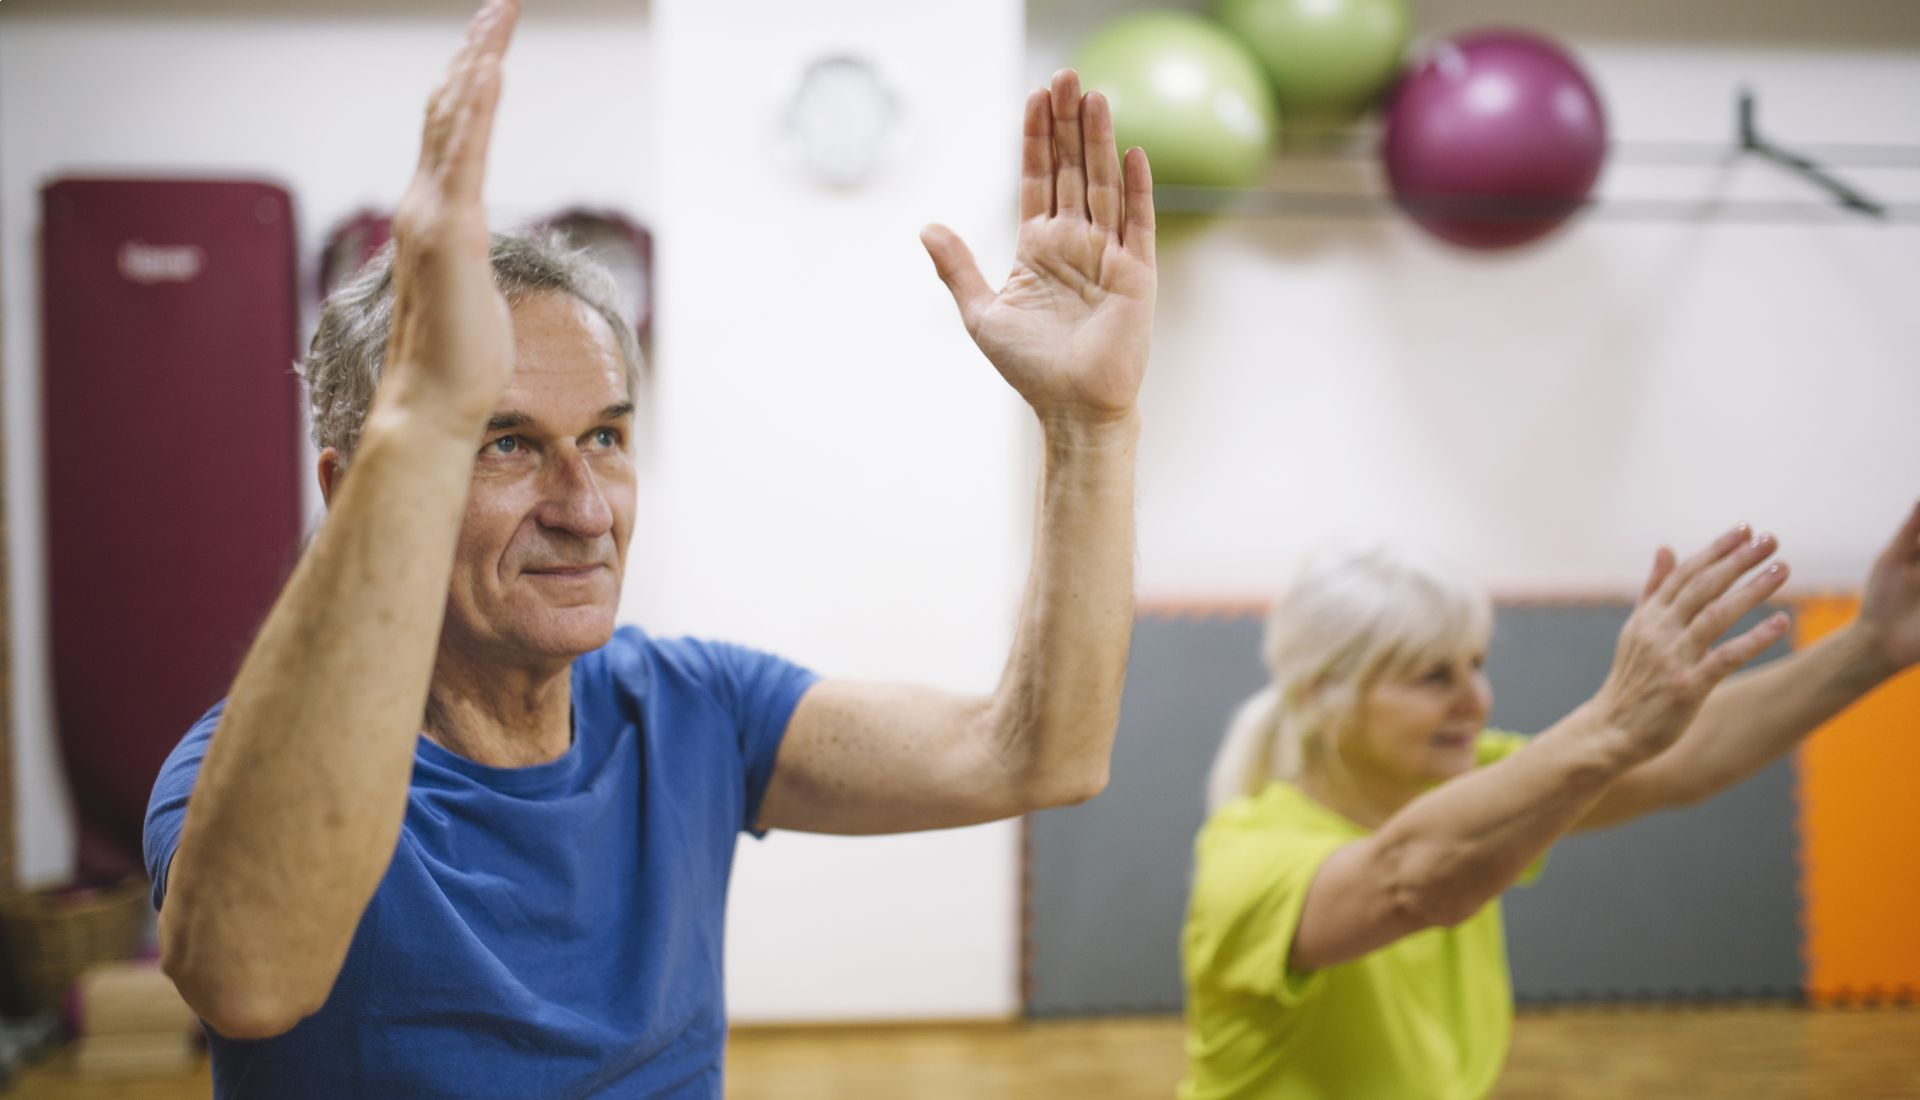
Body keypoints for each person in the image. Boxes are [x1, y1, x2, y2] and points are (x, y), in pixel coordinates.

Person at [141, 0, 1157, 1095]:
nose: (585, 504)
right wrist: (424, 417)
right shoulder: (243, 773)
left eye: (608, 438)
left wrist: (1087, 426)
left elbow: (1037, 752)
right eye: (505, 443)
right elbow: (247, 979)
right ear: (357, 486)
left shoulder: (689, 709)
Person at [1180, 509, 1920, 1099]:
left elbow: (1680, 761)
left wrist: (1872, 647)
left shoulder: (1466, 785)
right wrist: (1610, 727)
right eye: (1432, 676)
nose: (1475, 699)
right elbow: (1409, 878)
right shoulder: (1248, 860)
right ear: (1322, 696)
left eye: (1476, 663)